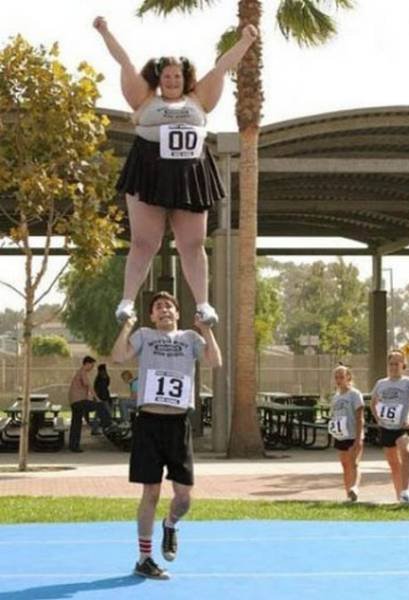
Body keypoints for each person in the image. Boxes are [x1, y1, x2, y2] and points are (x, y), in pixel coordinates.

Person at [93, 16, 258, 326]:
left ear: (185, 78)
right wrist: (105, 31)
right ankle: (127, 301)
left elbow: (222, 67)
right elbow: (124, 61)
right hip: (149, 170)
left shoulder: (199, 99)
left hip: (190, 174)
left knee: (192, 244)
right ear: (159, 79)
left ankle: (203, 305)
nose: (171, 81)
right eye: (166, 76)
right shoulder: (144, 99)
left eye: (177, 76)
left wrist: (246, 41)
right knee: (145, 242)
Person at [112, 290, 222, 580]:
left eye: (168, 306)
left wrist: (206, 330)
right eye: (158, 307)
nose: (164, 310)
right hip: (148, 423)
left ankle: (170, 524)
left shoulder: (190, 338)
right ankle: (144, 559)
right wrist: (127, 326)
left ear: (177, 313)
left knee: (184, 497)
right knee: (150, 491)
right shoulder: (145, 335)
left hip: (178, 424)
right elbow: (118, 357)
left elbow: (215, 362)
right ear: (151, 316)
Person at [370, 350, 409, 503]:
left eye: (397, 364)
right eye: (391, 364)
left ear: (404, 365)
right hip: (386, 428)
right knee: (394, 464)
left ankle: (405, 490)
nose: (394, 367)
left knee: (406, 451)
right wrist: (378, 419)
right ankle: (400, 496)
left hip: (402, 428)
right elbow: (373, 403)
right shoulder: (381, 383)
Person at [329, 364, 365, 502]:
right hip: (341, 435)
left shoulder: (354, 394)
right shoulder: (336, 397)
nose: (339, 380)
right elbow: (335, 416)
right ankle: (348, 493)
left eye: (341, 377)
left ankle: (355, 488)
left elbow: (360, 416)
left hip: (353, 434)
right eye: (336, 377)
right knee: (345, 464)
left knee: (354, 463)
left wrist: (358, 437)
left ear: (348, 377)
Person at [68, 356, 115, 452]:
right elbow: (89, 387)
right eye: (92, 365)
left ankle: (74, 446)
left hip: (74, 401)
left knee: (76, 424)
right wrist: (97, 399)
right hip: (79, 401)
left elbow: (84, 389)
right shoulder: (82, 372)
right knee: (100, 405)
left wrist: (90, 398)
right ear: (87, 364)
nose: (92, 368)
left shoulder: (79, 372)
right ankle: (108, 424)